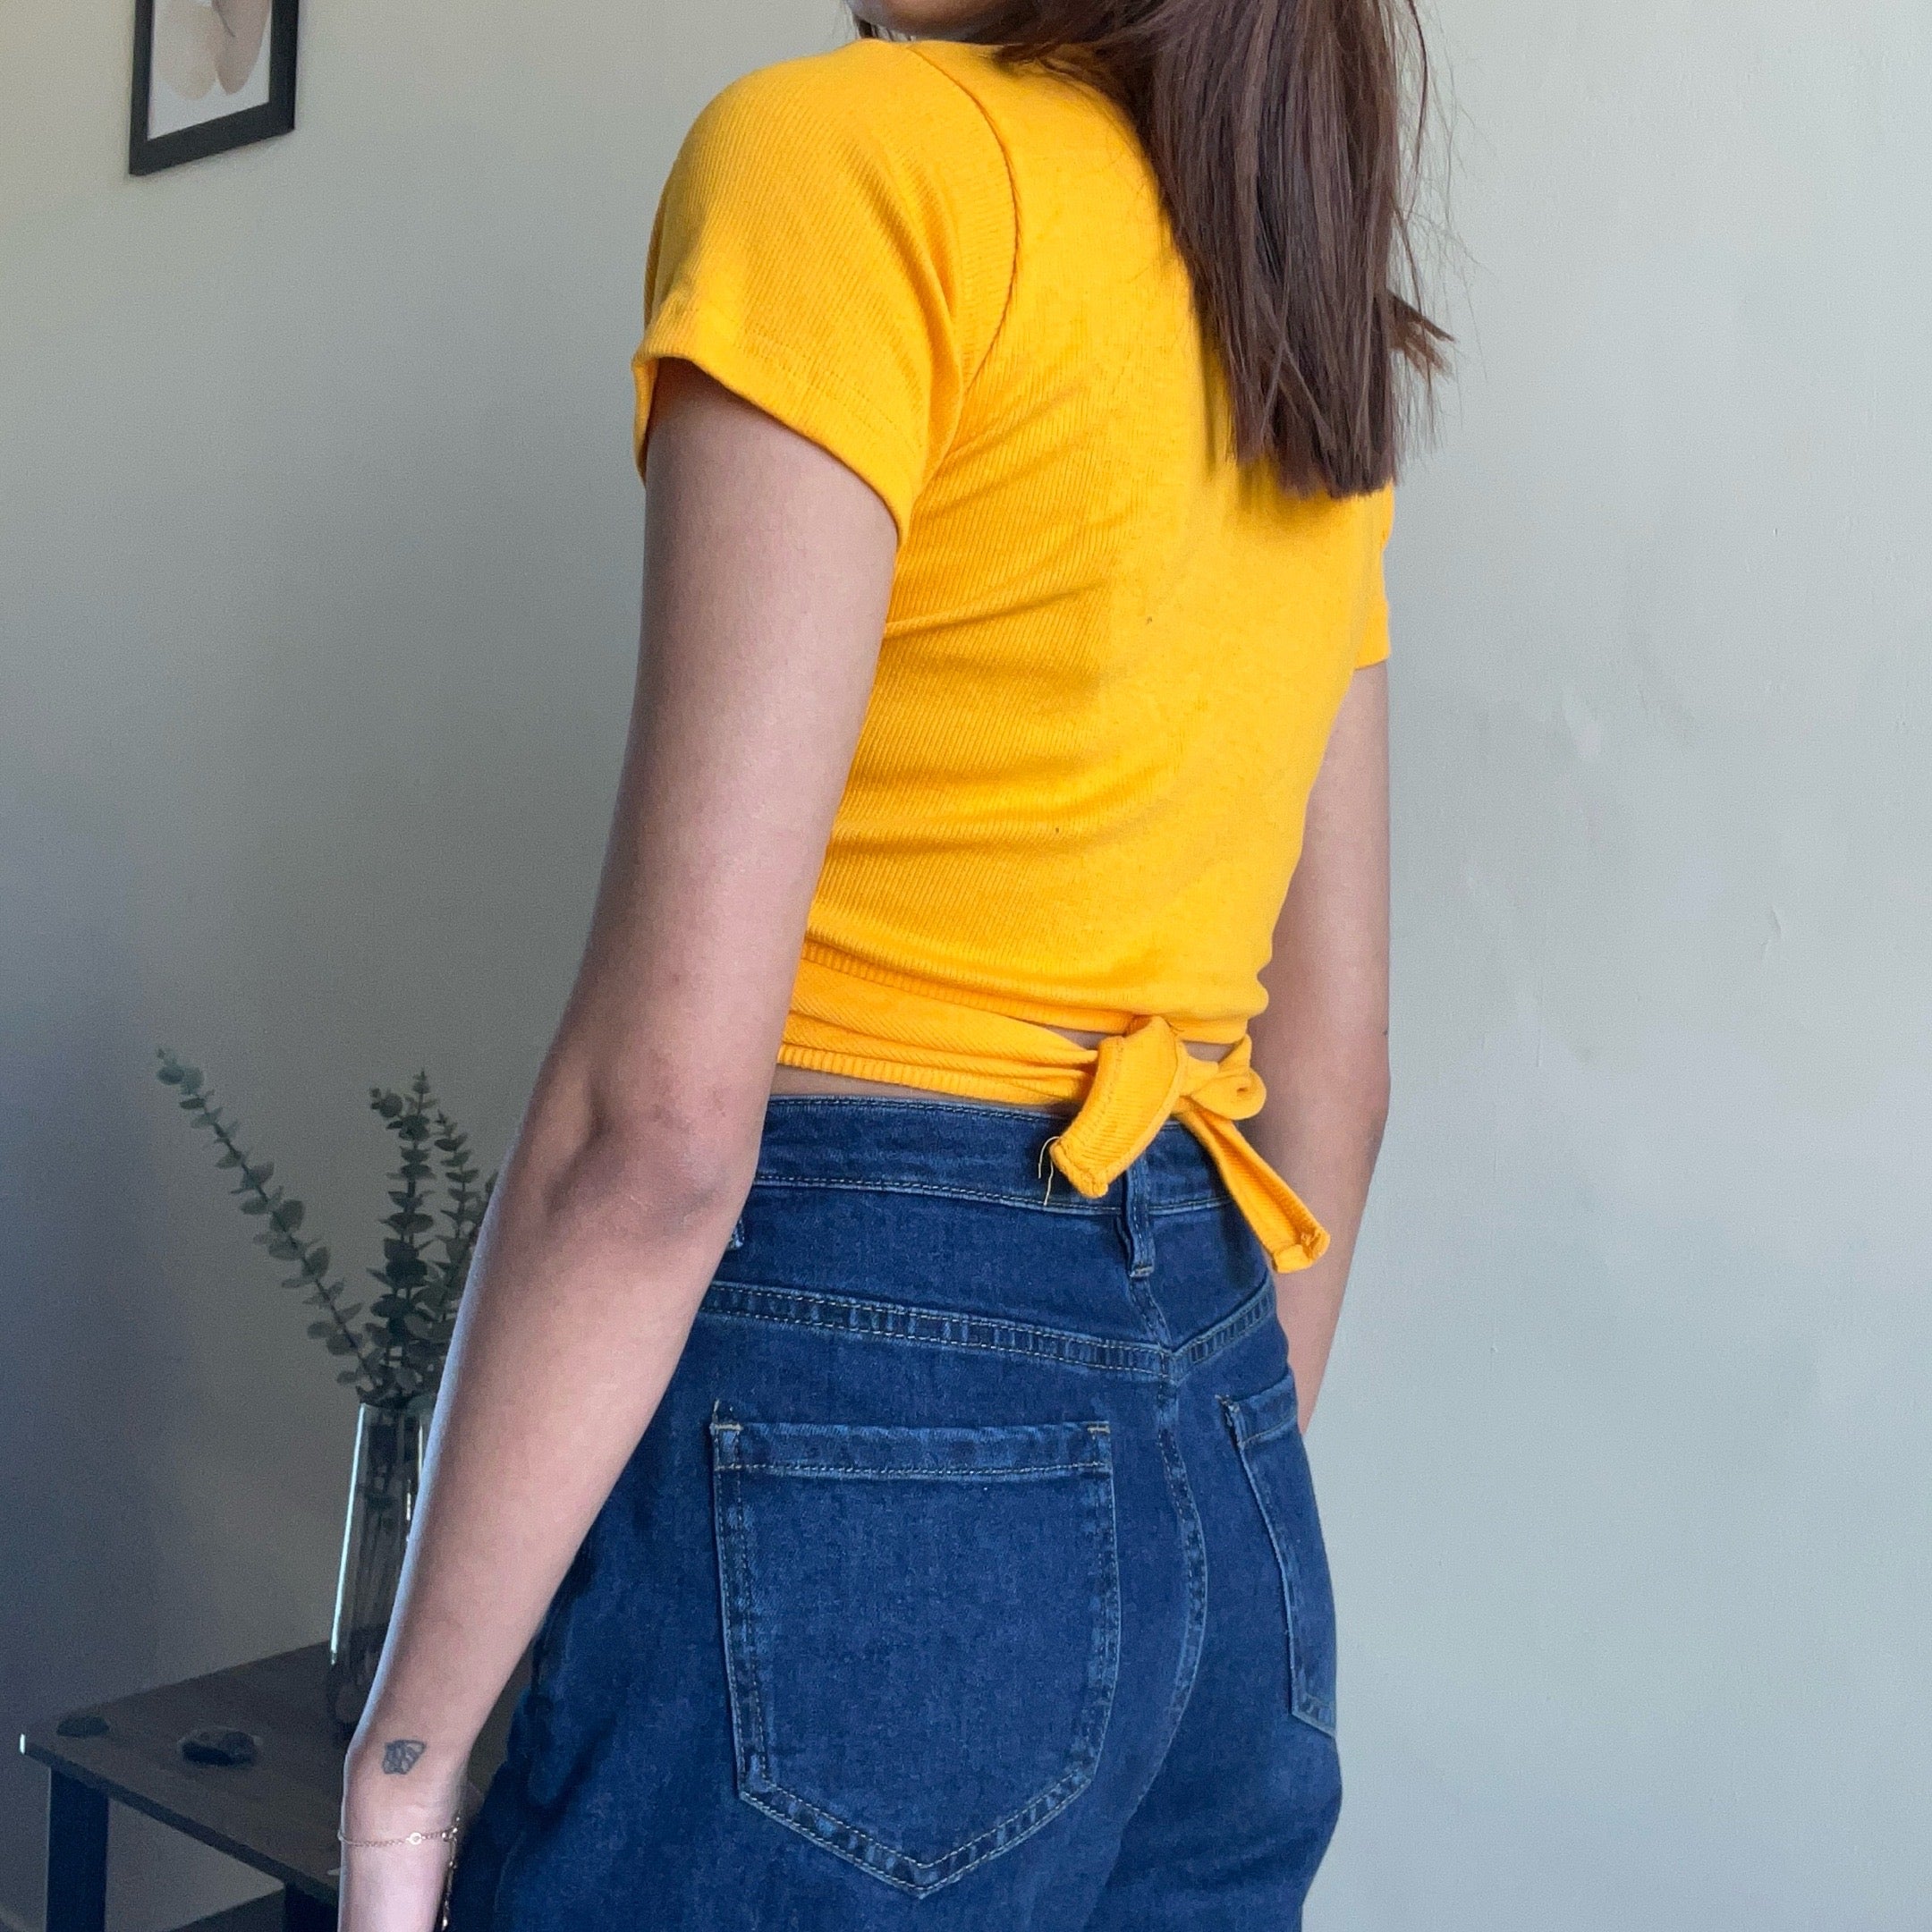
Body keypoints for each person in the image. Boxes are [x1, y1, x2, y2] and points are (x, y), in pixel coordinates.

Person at [336, 0, 1440, 1922]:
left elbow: (661, 1122)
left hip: (853, 1360)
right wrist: (1138, 1489)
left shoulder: (848, 161)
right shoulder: (1282, 301)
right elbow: (1336, 1066)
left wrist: (404, 1769)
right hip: (1222, 1438)